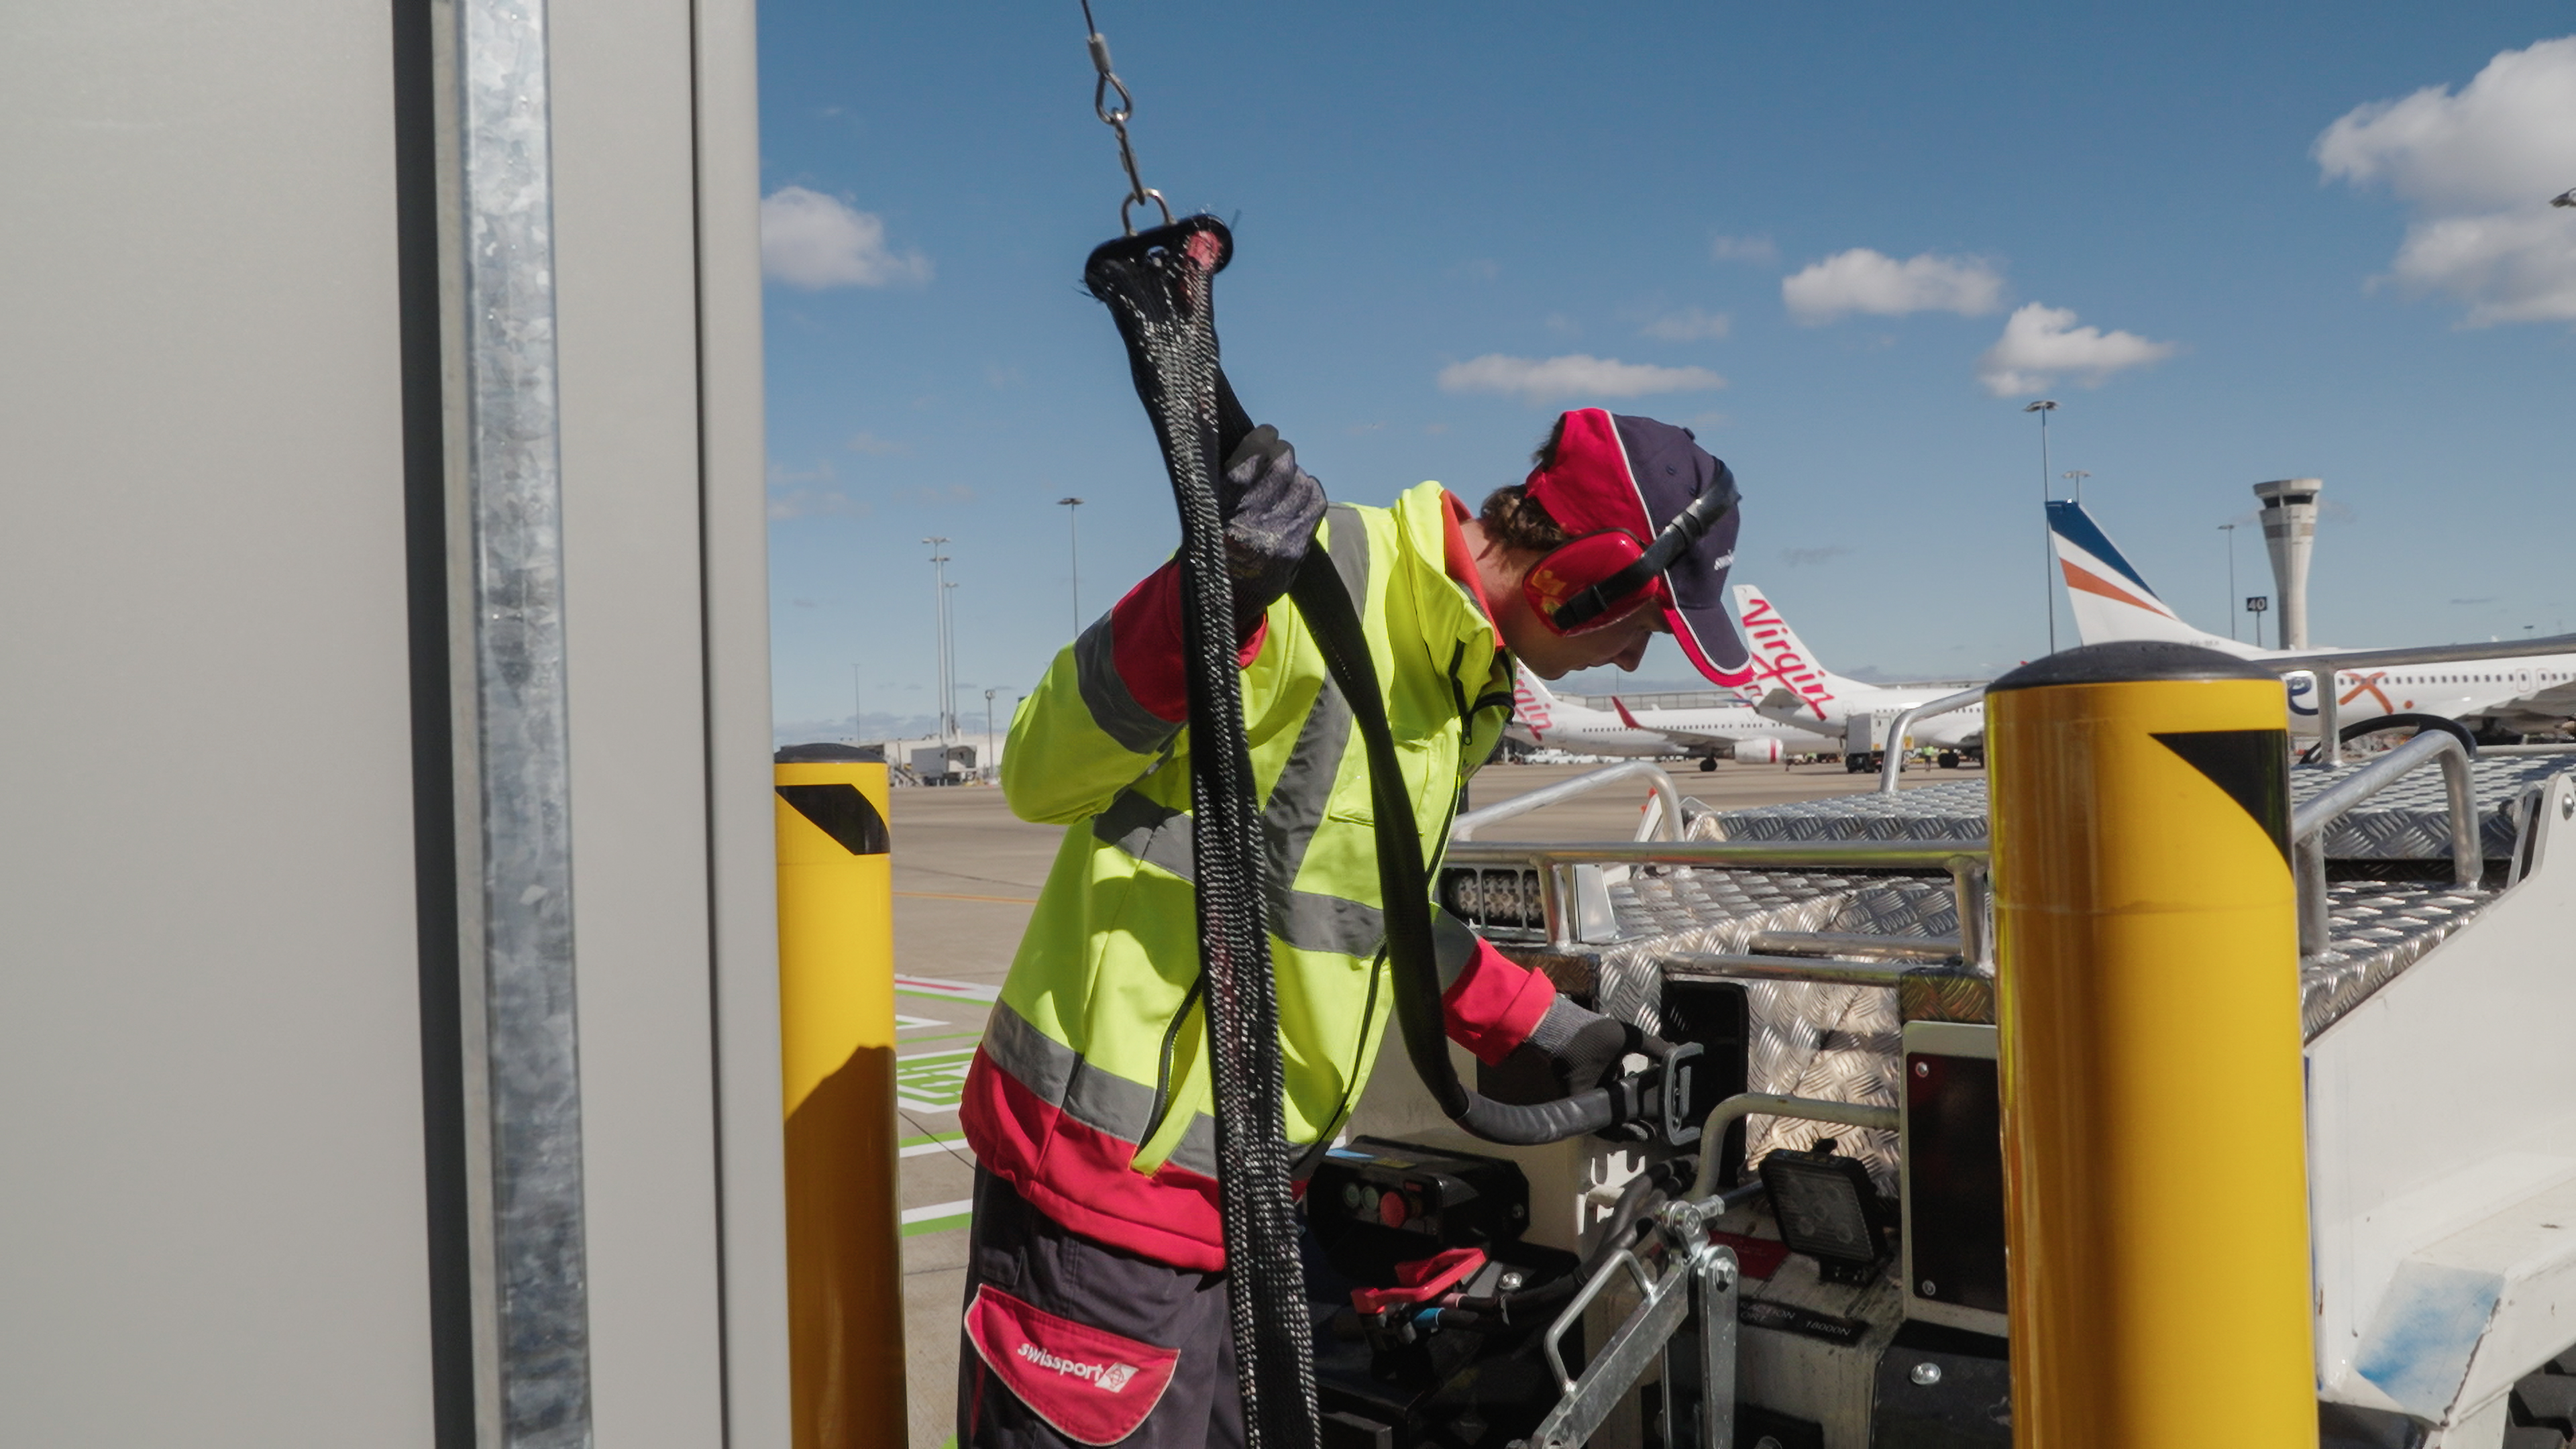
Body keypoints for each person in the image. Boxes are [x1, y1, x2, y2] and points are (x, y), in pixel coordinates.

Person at [954, 407, 1751, 1448]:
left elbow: (1364, 911)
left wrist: (1557, 1033)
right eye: (1644, 623)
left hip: (1245, 1211)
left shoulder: (1460, 675)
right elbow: (1038, 770)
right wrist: (1205, 601)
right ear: (1582, 578)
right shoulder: (1306, 581)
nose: (1640, 660)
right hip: (1105, 1206)